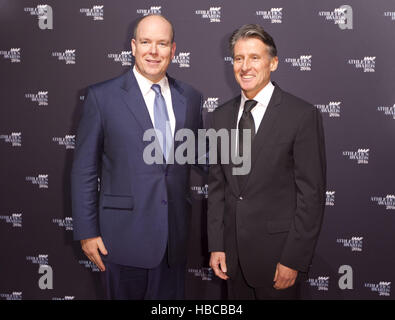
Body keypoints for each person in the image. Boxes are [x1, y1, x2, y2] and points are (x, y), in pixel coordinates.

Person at [71, 14, 202, 300]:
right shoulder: (101, 97)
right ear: (133, 46)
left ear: (173, 50)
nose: (153, 51)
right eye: (145, 42)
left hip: (173, 243)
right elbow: (84, 170)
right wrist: (87, 232)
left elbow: (198, 155)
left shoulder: (191, 98)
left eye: (162, 43)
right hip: (120, 241)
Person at [207, 24, 326, 299]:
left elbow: (311, 195)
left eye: (254, 58)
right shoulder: (220, 116)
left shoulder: (302, 115)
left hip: (278, 262)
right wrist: (217, 245)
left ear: (273, 63)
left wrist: (293, 259)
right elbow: (217, 188)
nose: (245, 66)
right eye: (239, 58)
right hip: (232, 261)